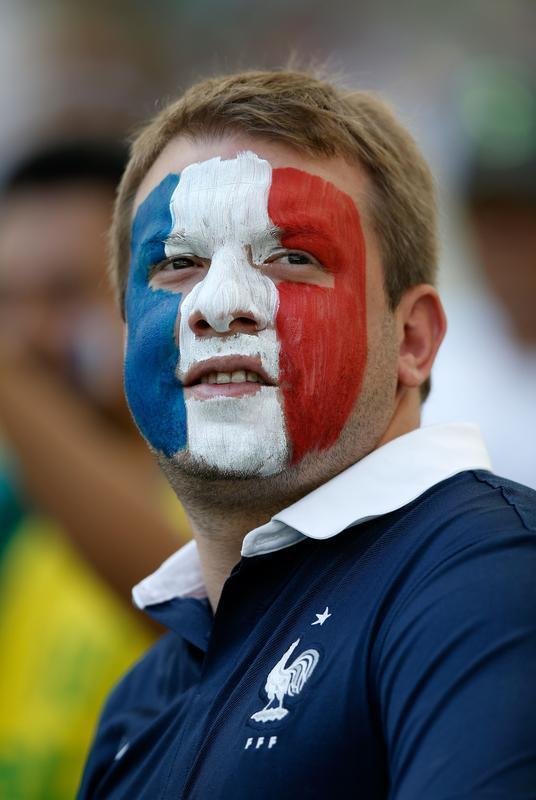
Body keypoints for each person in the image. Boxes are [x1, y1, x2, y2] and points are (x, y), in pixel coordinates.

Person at [78, 70, 536, 799]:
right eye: (177, 264)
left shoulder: (490, 580)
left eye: (293, 257)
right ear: (127, 334)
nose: (219, 306)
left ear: (413, 339)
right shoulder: (142, 700)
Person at [0, 142, 189, 799]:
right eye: (6, 298)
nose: (27, 333)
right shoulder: (29, 526)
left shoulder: (243, 498)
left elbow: (191, 608)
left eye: (63, 294)